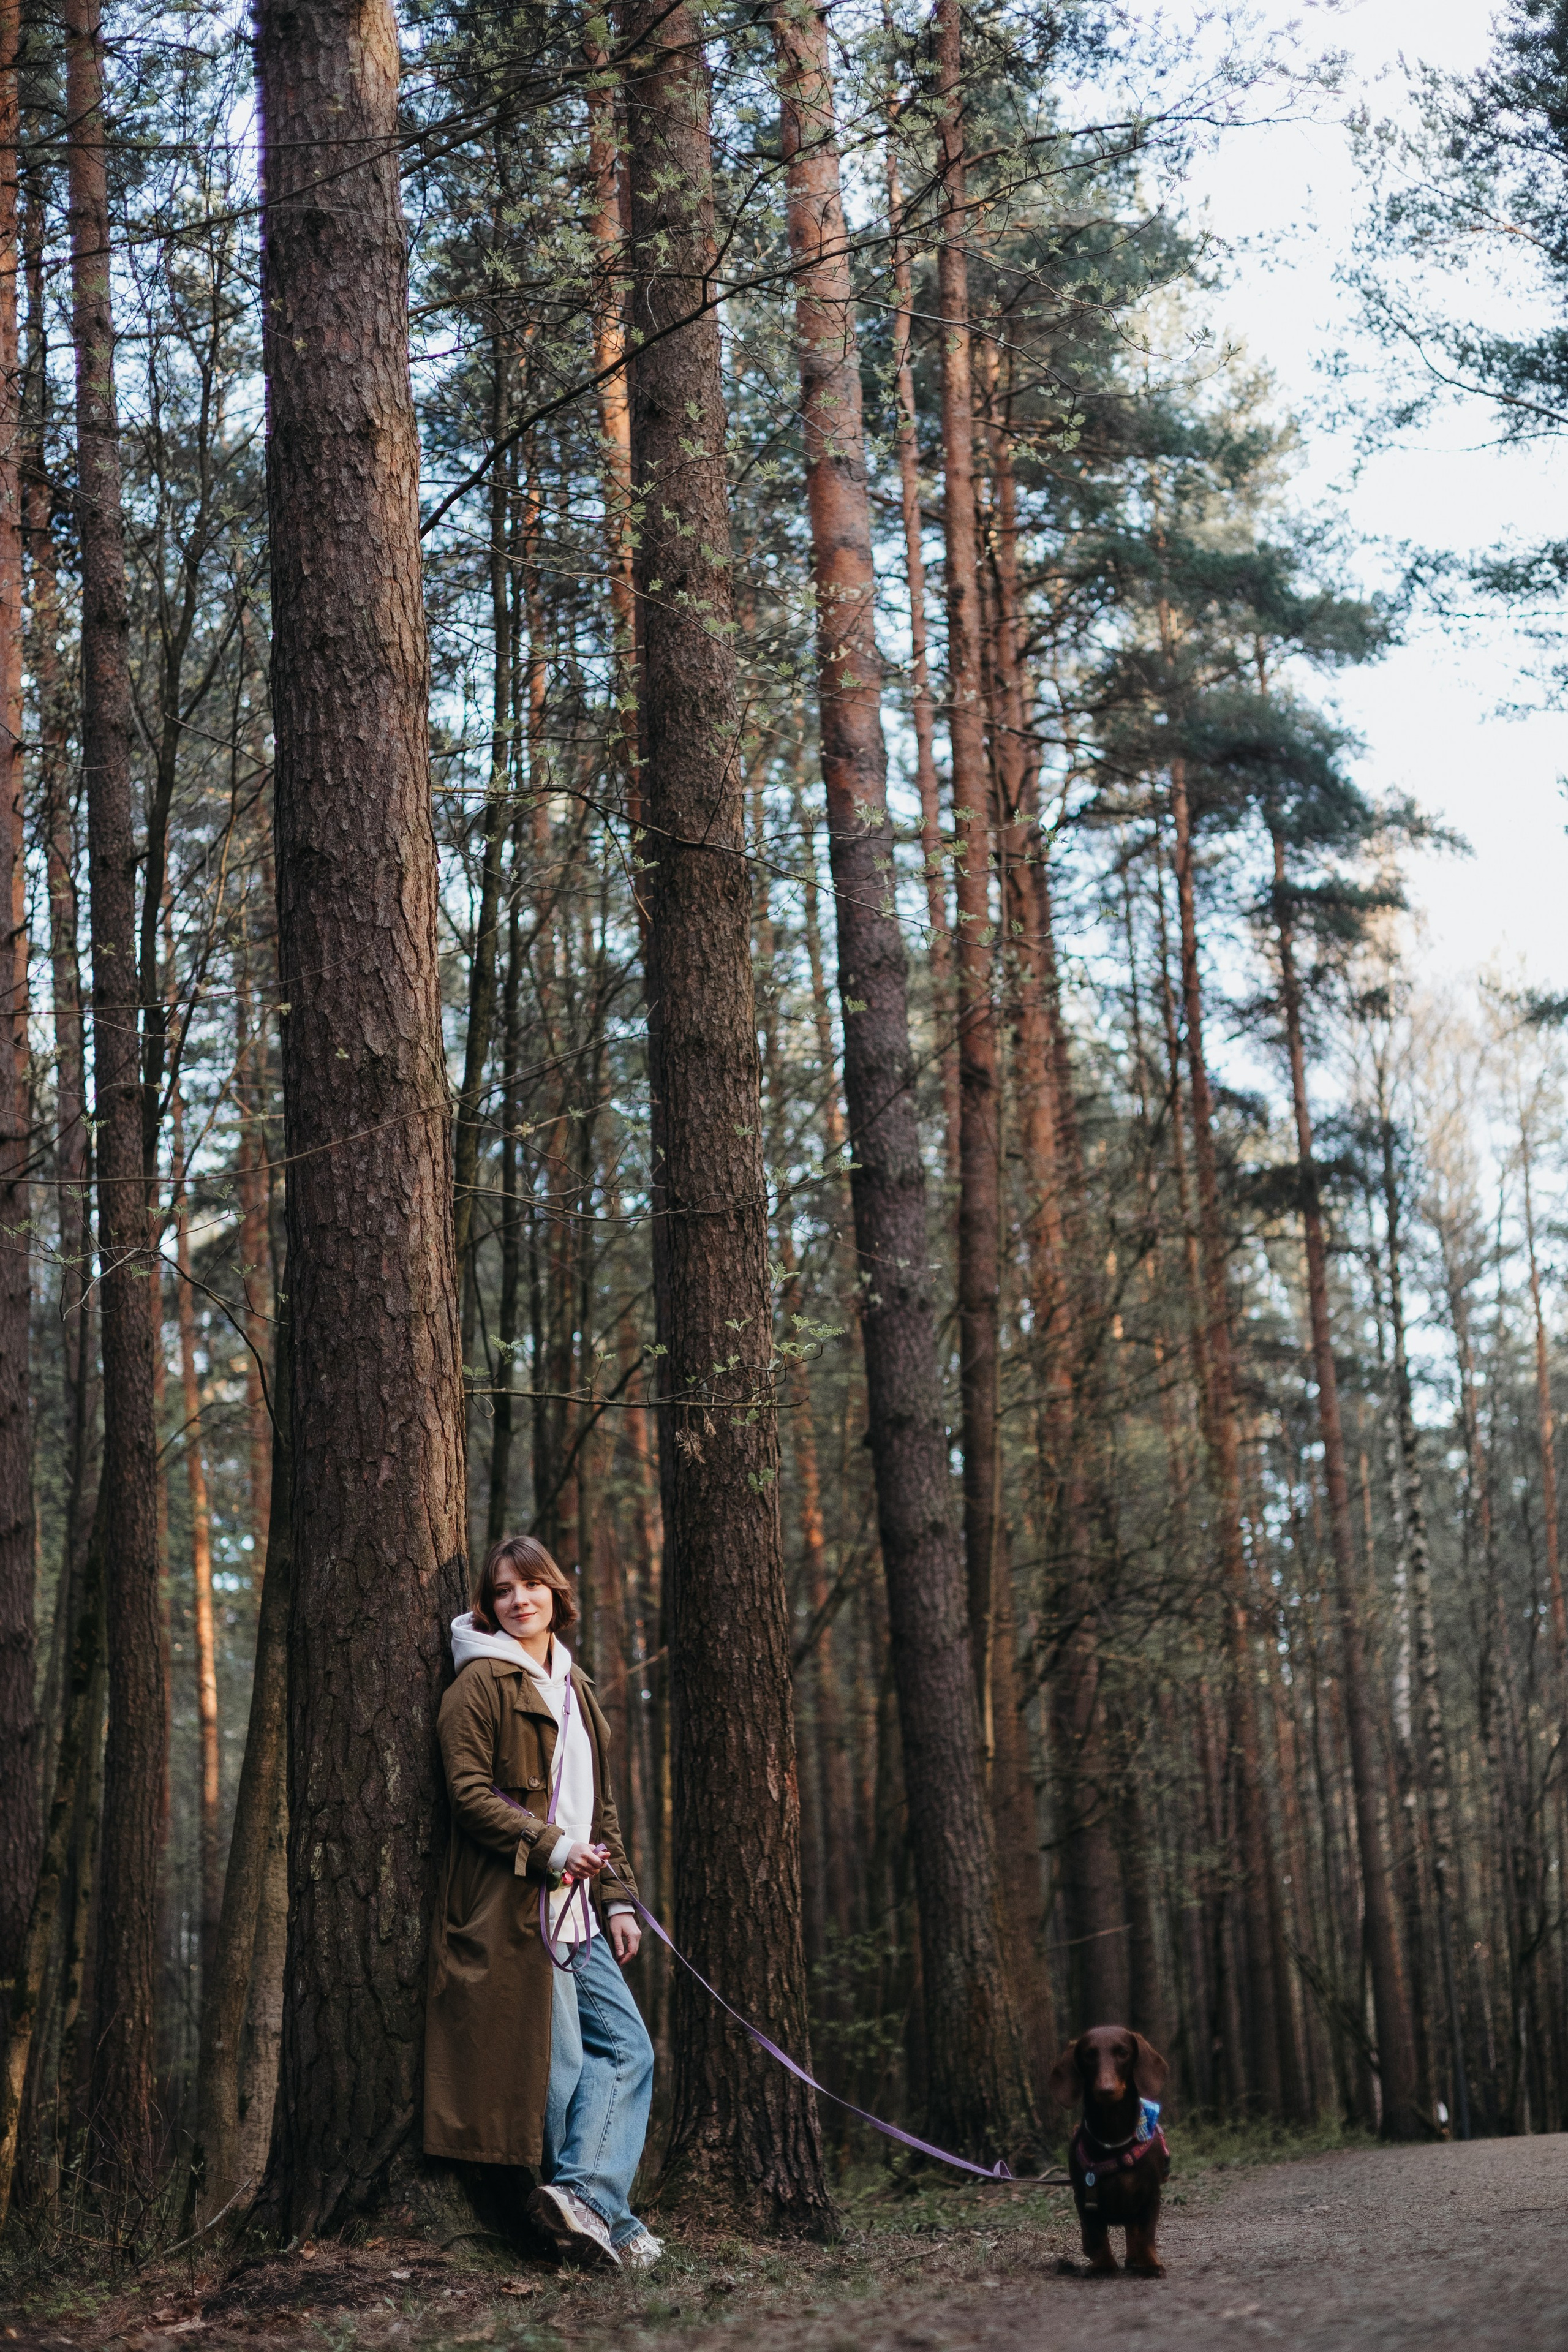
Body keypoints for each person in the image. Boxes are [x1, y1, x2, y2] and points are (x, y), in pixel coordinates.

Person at [424, 1532, 661, 2270]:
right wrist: (555, 1847)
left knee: (627, 2049)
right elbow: (466, 1796)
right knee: (555, 2073)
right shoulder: (478, 1684)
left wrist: (619, 1898)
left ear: (557, 1593)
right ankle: (600, 2222)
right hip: (514, 1907)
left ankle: (590, 2202)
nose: (518, 1600)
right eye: (501, 1590)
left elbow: (603, 1808)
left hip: (579, 1911)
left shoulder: (576, 1686)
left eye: (530, 1585)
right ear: (489, 1606)